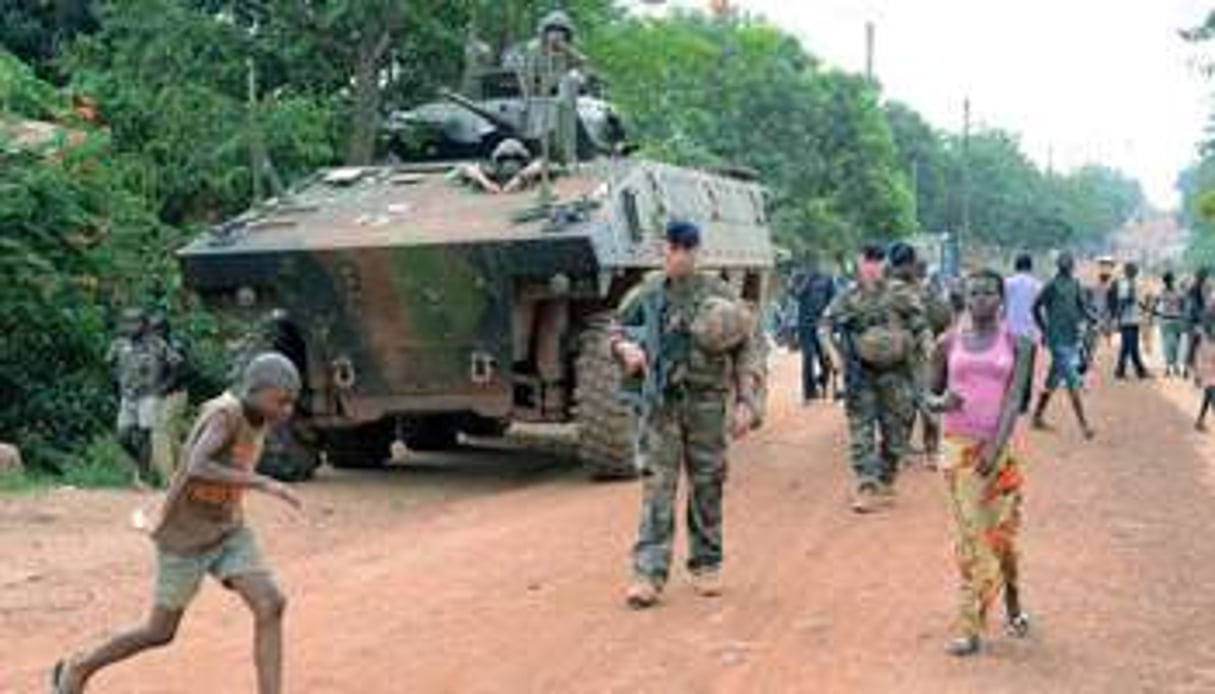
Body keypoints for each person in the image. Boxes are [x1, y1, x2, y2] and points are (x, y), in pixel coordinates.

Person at [52, 353, 304, 694]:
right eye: (282, 401)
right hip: (185, 537)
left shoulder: (258, 417)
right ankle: (78, 668)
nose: (287, 410)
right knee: (159, 632)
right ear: (255, 390)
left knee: (271, 604)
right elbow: (196, 465)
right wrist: (262, 482)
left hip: (227, 530)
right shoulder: (225, 415)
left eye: (292, 402)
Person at [611, 220, 765, 609]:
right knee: (657, 487)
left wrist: (747, 401)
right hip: (661, 403)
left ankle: (706, 563)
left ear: (695, 252)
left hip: (708, 403)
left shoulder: (718, 293)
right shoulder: (646, 293)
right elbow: (616, 331)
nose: (674, 256)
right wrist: (624, 350)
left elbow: (748, 349)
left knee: (708, 482)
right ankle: (648, 573)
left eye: (682, 249)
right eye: (669, 248)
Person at [928, 269, 1034, 657]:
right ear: (965, 298)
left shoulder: (1019, 344)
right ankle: (970, 626)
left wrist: (994, 447)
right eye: (973, 293)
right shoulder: (947, 343)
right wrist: (940, 403)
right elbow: (929, 392)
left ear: (1001, 299)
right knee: (973, 536)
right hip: (957, 453)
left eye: (988, 293)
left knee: (1001, 536)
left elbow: (1013, 401)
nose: (980, 299)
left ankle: (1014, 602)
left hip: (999, 454)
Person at [828, 242, 932, 513]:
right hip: (860, 373)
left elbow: (921, 326)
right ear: (858, 263)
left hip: (896, 373)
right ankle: (866, 485)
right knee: (860, 430)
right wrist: (836, 357)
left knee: (895, 433)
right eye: (867, 260)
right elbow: (824, 326)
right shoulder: (848, 297)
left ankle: (886, 481)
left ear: (885, 263)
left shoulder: (899, 293)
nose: (872, 267)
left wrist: (927, 354)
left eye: (877, 260)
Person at [1031, 252, 1096, 439]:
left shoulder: (1075, 284)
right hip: (1056, 340)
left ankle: (1037, 416)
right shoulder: (1051, 285)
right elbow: (1035, 307)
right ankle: (1084, 426)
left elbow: (1082, 307)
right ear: (1059, 265)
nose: (1067, 265)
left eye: (1069, 262)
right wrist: (1044, 329)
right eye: (1064, 262)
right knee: (1072, 381)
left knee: (1052, 380)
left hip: (1071, 338)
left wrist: (1094, 319)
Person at [106, 308, 169, 485]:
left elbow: (178, 365)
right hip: (128, 396)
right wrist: (116, 388)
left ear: (145, 325)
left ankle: (143, 477)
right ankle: (141, 463)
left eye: (135, 322)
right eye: (127, 322)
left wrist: (162, 387)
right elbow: (109, 365)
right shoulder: (118, 344)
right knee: (122, 436)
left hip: (149, 395)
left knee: (144, 435)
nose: (131, 326)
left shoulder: (157, 343)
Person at [148, 314, 188, 482]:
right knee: (169, 436)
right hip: (160, 395)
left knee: (162, 432)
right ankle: (186, 472)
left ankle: (169, 478)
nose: (152, 333)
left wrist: (160, 390)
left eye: (156, 329)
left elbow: (179, 373)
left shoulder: (174, 346)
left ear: (165, 330)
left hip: (175, 394)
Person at [793, 259, 836, 402]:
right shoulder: (798, 277)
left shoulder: (827, 278)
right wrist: (808, 279)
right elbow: (797, 295)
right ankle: (809, 393)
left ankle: (822, 381)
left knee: (825, 357)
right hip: (804, 324)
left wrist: (829, 318)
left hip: (822, 324)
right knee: (808, 357)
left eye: (816, 263)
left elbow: (833, 299)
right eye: (810, 263)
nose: (814, 266)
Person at [1004, 253, 1042, 412]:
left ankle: (1007, 398)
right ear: (1030, 267)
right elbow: (1041, 310)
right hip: (1029, 332)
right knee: (1027, 369)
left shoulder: (1007, 283)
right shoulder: (1037, 285)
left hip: (1010, 331)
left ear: (1016, 265)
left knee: (1009, 367)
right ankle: (1023, 403)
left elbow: (1002, 307)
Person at [449, 138, 546, 194]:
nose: (510, 164)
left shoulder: (531, 173)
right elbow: (464, 167)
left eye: (516, 158)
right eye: (504, 158)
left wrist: (518, 179)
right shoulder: (491, 171)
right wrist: (486, 183)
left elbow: (541, 164)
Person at [1109, 262, 1150, 379]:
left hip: (1134, 319)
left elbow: (1137, 301)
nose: (1135, 272)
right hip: (1127, 320)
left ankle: (1122, 370)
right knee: (1130, 346)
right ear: (1129, 272)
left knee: (1129, 346)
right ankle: (1138, 371)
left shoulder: (1134, 284)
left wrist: (1143, 308)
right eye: (1133, 270)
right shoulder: (1124, 284)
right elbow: (1122, 302)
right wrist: (1118, 318)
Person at [1154, 271, 1186, 377]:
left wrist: (1155, 311)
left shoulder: (1167, 291)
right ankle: (1170, 367)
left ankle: (1172, 366)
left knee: (1173, 344)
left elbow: (1183, 304)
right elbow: (1183, 304)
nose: (1169, 282)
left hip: (1172, 320)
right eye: (1169, 280)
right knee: (1170, 344)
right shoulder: (1173, 291)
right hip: (1169, 320)